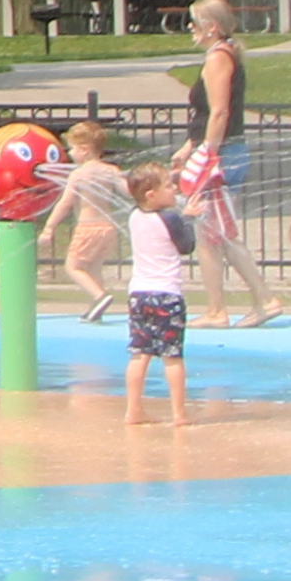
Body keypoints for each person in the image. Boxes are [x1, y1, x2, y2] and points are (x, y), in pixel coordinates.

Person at [179, 0, 277, 326]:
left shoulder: (218, 58)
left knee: (219, 233)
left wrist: (206, 153)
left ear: (212, 27)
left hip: (221, 155)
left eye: (194, 22)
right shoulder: (225, 54)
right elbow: (211, 113)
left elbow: (220, 111)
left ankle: (259, 300)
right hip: (222, 151)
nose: (190, 28)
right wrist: (188, 145)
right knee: (211, 233)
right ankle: (218, 307)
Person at [119, 165, 197, 426]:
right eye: (168, 185)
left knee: (139, 353)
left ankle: (133, 410)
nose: (174, 188)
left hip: (139, 295)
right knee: (172, 356)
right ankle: (179, 413)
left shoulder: (133, 215)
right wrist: (190, 219)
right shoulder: (171, 219)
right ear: (151, 194)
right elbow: (186, 246)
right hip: (167, 295)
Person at [51, 122, 134, 312]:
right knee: (94, 268)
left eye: (72, 148)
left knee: (73, 267)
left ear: (84, 150)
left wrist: (49, 227)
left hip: (87, 228)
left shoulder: (79, 174)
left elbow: (65, 203)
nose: (70, 153)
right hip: (107, 228)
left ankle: (100, 296)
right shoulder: (111, 170)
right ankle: (95, 308)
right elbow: (128, 191)